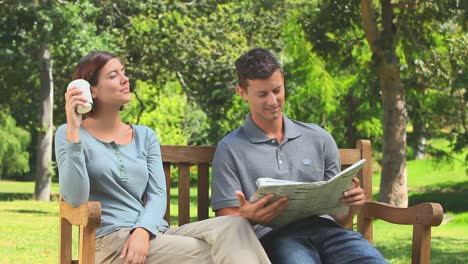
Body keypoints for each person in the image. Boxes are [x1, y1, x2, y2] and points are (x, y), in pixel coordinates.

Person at [55, 51, 271, 264]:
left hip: (152, 234)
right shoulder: (68, 134)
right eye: (113, 75)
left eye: (123, 72)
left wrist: (142, 231)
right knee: (218, 253)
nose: (125, 79)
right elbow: (75, 197)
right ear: (90, 90)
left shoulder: (144, 136)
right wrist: (74, 131)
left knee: (237, 227)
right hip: (112, 243)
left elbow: (158, 195)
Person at [211, 48, 388, 264]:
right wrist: (248, 216)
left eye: (277, 90)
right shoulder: (229, 148)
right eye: (262, 94)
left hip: (330, 232)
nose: (273, 100)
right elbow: (226, 221)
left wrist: (351, 204)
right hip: (275, 237)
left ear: (283, 82)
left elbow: (340, 220)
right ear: (242, 92)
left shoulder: (319, 138)